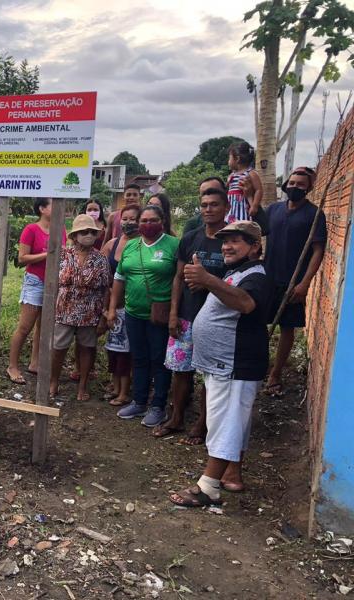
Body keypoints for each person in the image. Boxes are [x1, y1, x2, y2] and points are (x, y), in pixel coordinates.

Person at [169, 221, 272, 507]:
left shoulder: (257, 275)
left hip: (235, 364)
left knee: (225, 423)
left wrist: (207, 280)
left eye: (236, 241)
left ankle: (208, 487)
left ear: (254, 247)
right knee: (228, 421)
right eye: (225, 241)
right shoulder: (236, 272)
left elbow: (246, 304)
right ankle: (226, 474)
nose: (227, 246)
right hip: (223, 364)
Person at [155, 186, 230, 440]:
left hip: (216, 320)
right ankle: (176, 418)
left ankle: (203, 423)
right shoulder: (190, 238)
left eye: (214, 204)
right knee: (180, 369)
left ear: (226, 208)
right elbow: (178, 278)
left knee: (209, 374)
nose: (208, 209)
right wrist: (173, 313)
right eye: (205, 204)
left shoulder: (232, 241)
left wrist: (208, 281)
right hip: (186, 316)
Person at [107, 204, 178, 427]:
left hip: (158, 315)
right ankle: (138, 401)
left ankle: (158, 406)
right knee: (138, 358)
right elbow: (119, 279)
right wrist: (112, 308)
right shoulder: (131, 246)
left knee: (159, 360)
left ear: (163, 221)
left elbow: (179, 281)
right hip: (133, 313)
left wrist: (175, 311)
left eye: (152, 220)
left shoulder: (173, 245)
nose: (147, 225)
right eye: (144, 221)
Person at [261, 166, 325, 397]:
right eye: (292, 183)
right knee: (259, 323)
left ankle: (276, 374)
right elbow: (259, 234)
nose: (295, 187)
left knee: (287, 328)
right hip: (268, 278)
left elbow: (318, 250)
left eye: (301, 184)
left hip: (293, 282)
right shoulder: (274, 210)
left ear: (309, 188)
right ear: (286, 184)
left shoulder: (314, 214)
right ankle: (258, 367)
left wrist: (304, 283)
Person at [6, 197, 67, 385]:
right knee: (25, 327)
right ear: (42, 209)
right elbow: (22, 258)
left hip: (54, 281)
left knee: (44, 326)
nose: (57, 208)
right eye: (52, 205)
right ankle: (12, 366)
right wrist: (47, 254)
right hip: (35, 281)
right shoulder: (31, 230)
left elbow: (63, 254)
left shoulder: (61, 230)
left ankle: (35, 363)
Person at [49, 215, 110, 401]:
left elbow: (106, 288)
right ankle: (53, 381)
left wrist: (104, 316)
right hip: (65, 309)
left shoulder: (100, 259)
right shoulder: (63, 255)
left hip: (90, 311)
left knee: (87, 348)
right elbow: (53, 283)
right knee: (59, 348)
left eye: (92, 232)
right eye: (84, 232)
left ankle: (83, 385)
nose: (89, 235)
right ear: (75, 236)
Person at [100, 204, 141, 406]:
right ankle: (116, 388)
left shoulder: (143, 244)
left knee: (128, 352)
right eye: (125, 219)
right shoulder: (112, 245)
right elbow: (101, 273)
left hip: (133, 307)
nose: (128, 222)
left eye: (133, 218)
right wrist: (107, 307)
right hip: (113, 307)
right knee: (114, 349)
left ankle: (126, 391)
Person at [227, 141, 262, 222]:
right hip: (232, 207)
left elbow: (258, 190)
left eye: (229, 158)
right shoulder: (232, 175)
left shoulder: (251, 173)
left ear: (237, 159)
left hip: (243, 205)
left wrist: (254, 205)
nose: (228, 161)